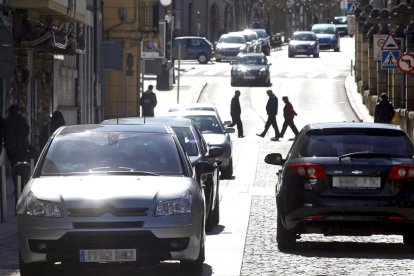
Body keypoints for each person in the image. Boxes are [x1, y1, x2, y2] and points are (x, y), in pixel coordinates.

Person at [3, 104, 31, 169]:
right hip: (21, 146)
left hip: (11, 147)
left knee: (13, 164)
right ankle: (22, 177)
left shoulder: (6, 121)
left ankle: (16, 177)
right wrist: (23, 138)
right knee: (22, 164)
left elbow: (4, 133)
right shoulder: (22, 120)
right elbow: (27, 130)